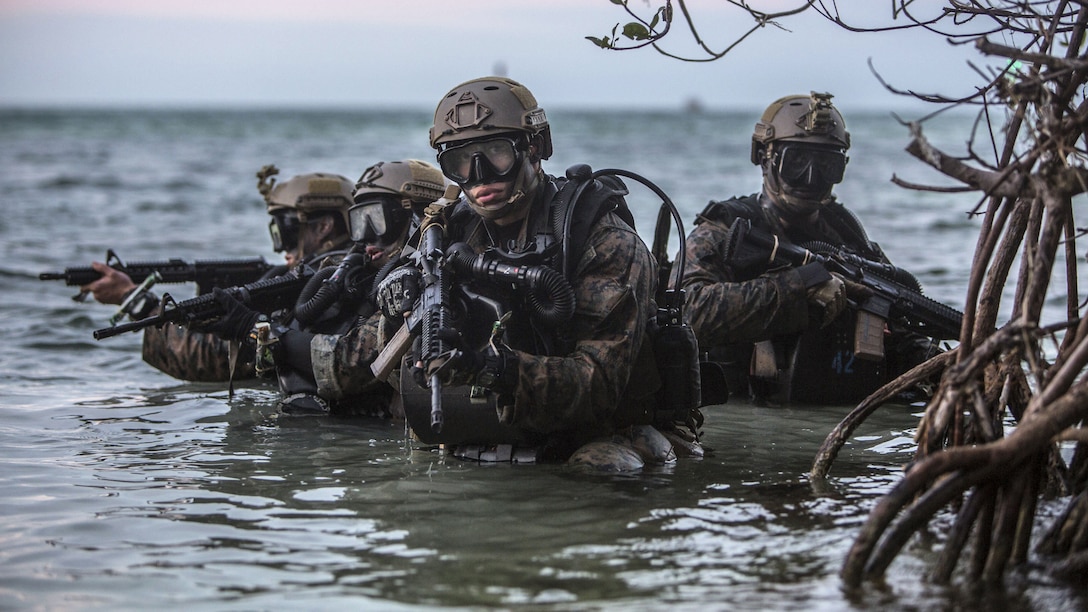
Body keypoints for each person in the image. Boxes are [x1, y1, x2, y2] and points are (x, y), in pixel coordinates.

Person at [367, 76, 701, 469]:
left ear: (535, 148)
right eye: (460, 162)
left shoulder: (602, 240)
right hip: (497, 426)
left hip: (607, 427)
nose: (481, 176)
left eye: (496, 153)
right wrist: (399, 316)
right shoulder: (447, 231)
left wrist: (493, 368)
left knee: (603, 464)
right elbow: (393, 374)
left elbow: (599, 387)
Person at [681, 92, 940, 405]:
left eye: (826, 165)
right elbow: (691, 312)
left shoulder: (847, 235)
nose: (811, 177)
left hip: (843, 418)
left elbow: (897, 322)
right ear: (765, 157)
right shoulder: (728, 231)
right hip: (751, 421)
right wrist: (800, 288)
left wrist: (940, 365)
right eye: (797, 162)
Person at [81, 166, 357, 383]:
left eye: (285, 231)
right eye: (275, 234)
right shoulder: (345, 271)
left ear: (323, 227)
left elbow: (212, 358)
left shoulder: (322, 284)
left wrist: (136, 301)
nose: (280, 246)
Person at [220, 159, 449, 417]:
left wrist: (260, 333)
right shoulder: (364, 277)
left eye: (377, 220)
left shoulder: (427, 277)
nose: (367, 238)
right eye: (360, 222)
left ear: (416, 218)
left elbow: (355, 362)